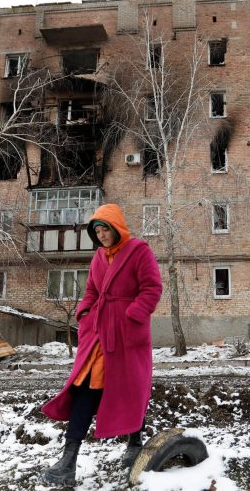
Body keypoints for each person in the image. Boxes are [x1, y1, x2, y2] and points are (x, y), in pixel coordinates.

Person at [40, 203, 162, 486]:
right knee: (85, 387)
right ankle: (68, 462)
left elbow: (152, 288)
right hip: (97, 333)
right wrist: (84, 312)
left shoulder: (139, 251)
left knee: (131, 386)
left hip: (127, 334)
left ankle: (135, 442)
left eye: (105, 228)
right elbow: (92, 290)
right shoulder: (98, 257)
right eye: (97, 230)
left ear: (116, 227)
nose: (102, 235)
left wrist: (133, 315)